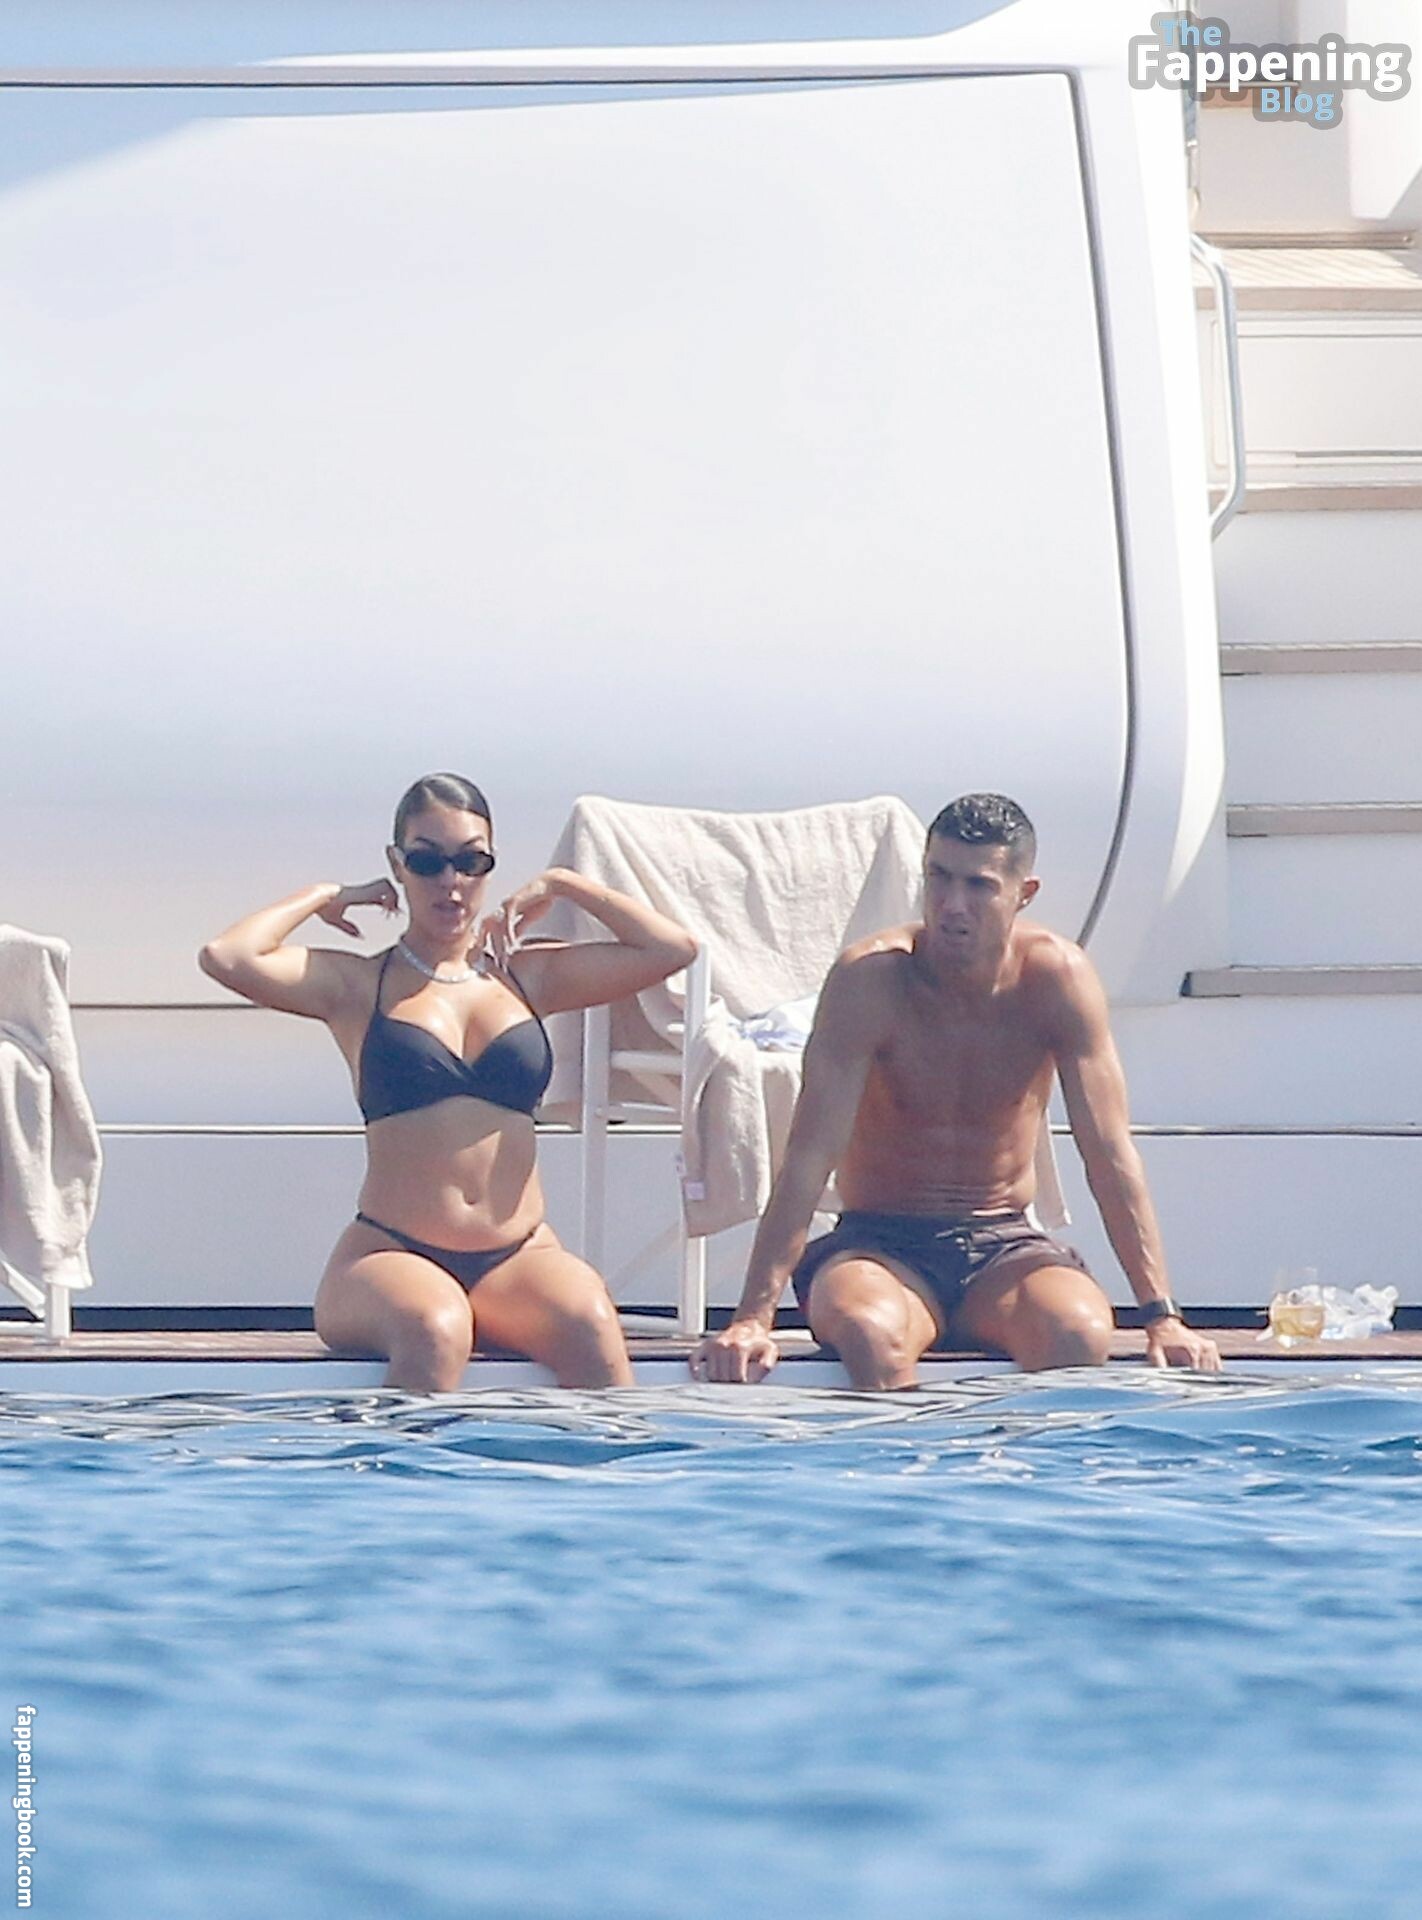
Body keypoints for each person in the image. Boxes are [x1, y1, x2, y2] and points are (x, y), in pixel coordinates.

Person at [691, 793, 1220, 1387]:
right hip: (878, 1245)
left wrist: (1162, 1316)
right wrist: (753, 1318)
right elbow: (809, 1157)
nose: (952, 905)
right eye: (939, 878)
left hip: (1003, 1244)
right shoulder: (870, 980)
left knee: (1077, 1336)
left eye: (979, 885)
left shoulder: (1056, 980)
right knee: (871, 1336)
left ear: (1023, 893)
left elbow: (1108, 1151)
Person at [200, 772, 697, 1391]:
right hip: (392, 1254)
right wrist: (325, 894)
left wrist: (562, 883)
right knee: (435, 1330)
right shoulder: (359, 986)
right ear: (397, 865)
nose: (450, 881)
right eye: (427, 861)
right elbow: (227, 956)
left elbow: (672, 949)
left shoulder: (527, 979)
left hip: (519, 1256)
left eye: (470, 861)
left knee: (592, 1324)